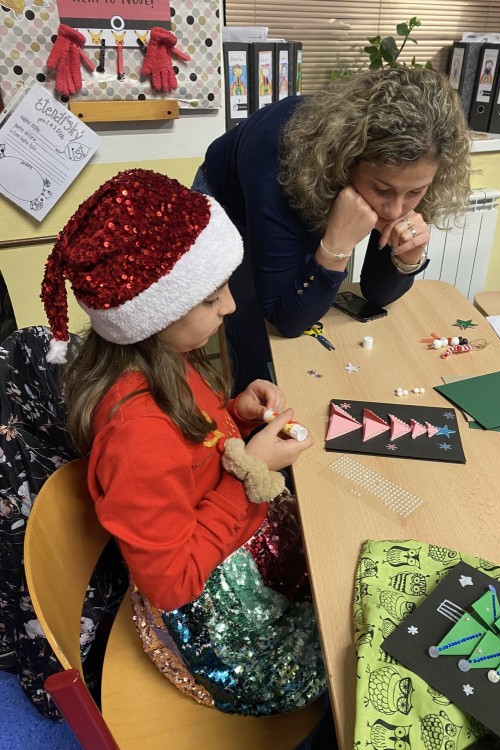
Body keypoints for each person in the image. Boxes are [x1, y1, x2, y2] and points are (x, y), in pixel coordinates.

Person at [40, 169, 326, 716]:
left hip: (232, 545)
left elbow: (193, 451)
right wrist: (252, 475)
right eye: (211, 298)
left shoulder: (165, 362)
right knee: (338, 642)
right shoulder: (136, 434)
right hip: (213, 617)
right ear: (153, 313)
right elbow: (172, 583)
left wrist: (238, 418)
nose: (231, 307)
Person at [192, 66, 472, 392]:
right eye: (382, 189)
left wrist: (407, 258)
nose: (396, 210)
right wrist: (336, 247)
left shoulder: (410, 166)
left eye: (415, 192)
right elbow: (285, 321)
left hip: (300, 184)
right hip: (234, 201)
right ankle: (245, 413)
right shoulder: (277, 166)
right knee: (255, 334)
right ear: (345, 163)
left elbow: (377, 294)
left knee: (307, 297)